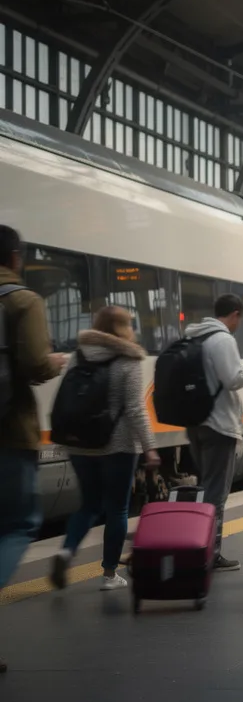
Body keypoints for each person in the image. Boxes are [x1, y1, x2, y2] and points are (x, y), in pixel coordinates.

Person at [48, 306, 158, 592]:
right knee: (117, 509)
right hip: (117, 445)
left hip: (80, 445)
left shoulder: (78, 355)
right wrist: (150, 447)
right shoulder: (129, 358)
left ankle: (66, 551)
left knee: (89, 505)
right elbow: (135, 409)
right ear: (124, 328)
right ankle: (109, 575)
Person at [0, 226, 66, 673]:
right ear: (15, 257)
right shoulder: (24, 301)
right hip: (9, 432)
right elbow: (35, 365)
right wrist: (55, 362)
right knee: (19, 524)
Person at [178, 294, 243, 570]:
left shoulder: (194, 337)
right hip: (219, 425)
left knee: (206, 487)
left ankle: (196, 546)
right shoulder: (223, 339)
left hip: (196, 423)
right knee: (216, 494)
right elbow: (233, 379)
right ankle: (210, 553)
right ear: (235, 314)